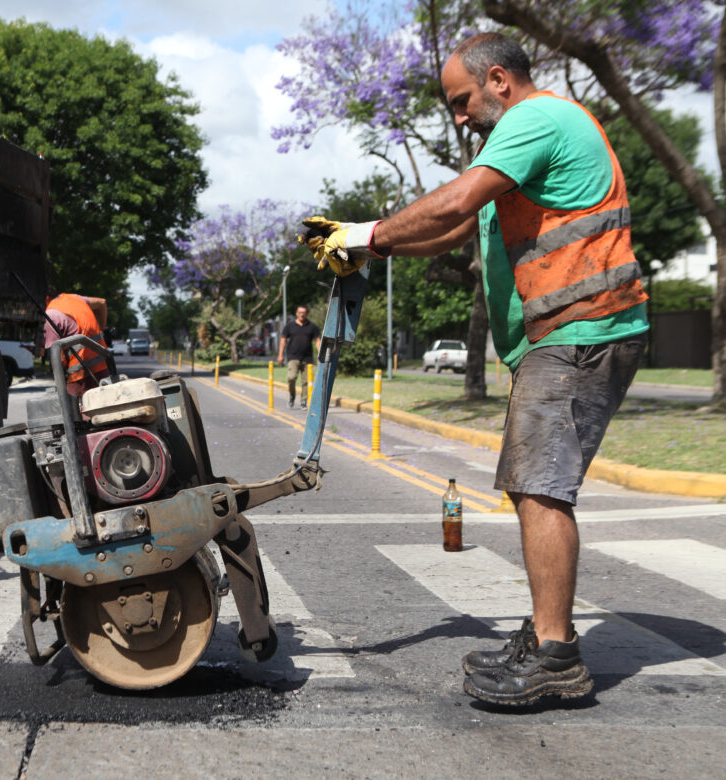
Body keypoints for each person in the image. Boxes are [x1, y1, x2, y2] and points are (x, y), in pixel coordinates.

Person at [306, 32, 648, 707]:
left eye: (461, 101)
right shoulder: (521, 148)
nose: (458, 117)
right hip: (569, 333)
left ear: (499, 79)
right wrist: (372, 246)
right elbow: (458, 230)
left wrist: (366, 234)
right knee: (532, 486)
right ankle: (547, 630)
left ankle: (556, 655)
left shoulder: (534, 120)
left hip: (583, 330)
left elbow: (458, 203)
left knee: (541, 486)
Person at [42, 287, 111, 396]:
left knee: (80, 410)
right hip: (103, 362)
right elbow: (101, 302)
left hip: (79, 373)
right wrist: (102, 327)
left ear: (46, 298)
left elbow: (57, 356)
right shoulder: (74, 298)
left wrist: (61, 379)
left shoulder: (50, 315)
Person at [277, 305, 321, 409]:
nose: (302, 314)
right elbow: (283, 341)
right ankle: (292, 396)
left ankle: (303, 401)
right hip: (293, 356)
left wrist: (319, 355)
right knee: (291, 378)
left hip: (307, 358)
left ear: (307, 314)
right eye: (300, 312)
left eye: (304, 312)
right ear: (296, 313)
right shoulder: (290, 326)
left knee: (306, 381)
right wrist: (280, 355)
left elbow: (318, 341)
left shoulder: (312, 327)